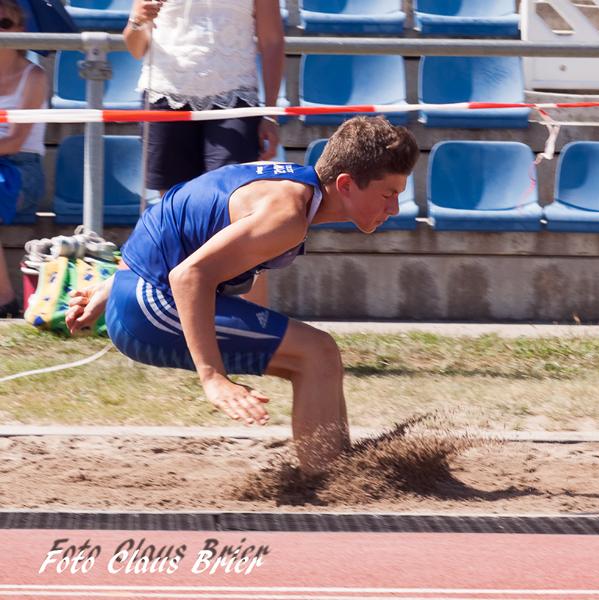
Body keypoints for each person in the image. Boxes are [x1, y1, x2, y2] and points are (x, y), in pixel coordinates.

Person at [66, 116, 419, 473]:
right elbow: (188, 275)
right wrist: (213, 377)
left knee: (320, 354)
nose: (394, 209)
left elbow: (180, 217)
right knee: (315, 353)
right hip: (147, 305)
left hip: (137, 290)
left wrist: (113, 286)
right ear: (345, 184)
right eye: (388, 194)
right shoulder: (286, 216)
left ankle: (340, 470)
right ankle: (332, 483)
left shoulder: (288, 182)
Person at [124, 0, 284, 197]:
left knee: (229, 197)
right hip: (165, 95)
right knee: (174, 203)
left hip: (235, 98)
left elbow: (272, 41)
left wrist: (270, 115)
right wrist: (137, 22)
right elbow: (136, 49)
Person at [0, 0, 49, 317]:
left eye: (3, 24)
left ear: (21, 29)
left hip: (21, 170)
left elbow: (16, 141)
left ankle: (5, 299)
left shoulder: (34, 77)